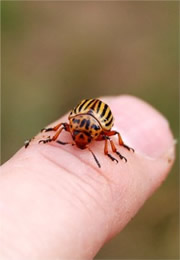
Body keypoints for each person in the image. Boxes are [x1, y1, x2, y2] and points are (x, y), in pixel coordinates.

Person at [0, 96, 175, 259]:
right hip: (91, 116)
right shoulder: (73, 125)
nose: (80, 141)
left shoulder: (101, 133)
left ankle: (113, 151)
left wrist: (110, 151)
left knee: (111, 138)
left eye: (85, 138)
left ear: (95, 135)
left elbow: (109, 135)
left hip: (96, 117)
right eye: (78, 137)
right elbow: (62, 127)